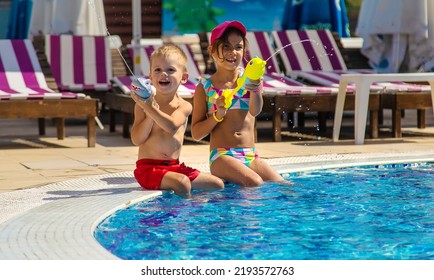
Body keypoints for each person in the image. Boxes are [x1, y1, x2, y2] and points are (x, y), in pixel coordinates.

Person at [191, 21, 285, 187]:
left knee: (282, 185)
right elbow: (196, 133)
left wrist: (256, 90)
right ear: (212, 50)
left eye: (238, 47)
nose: (232, 52)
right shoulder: (205, 87)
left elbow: (255, 111)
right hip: (221, 156)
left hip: (250, 155)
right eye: (226, 46)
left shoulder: (249, 80)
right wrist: (217, 115)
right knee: (254, 182)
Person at [130, 43, 224, 197]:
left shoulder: (184, 106)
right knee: (182, 182)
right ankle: (184, 214)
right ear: (151, 77)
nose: (163, 74)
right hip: (148, 169)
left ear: (184, 77)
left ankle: (199, 207)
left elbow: (172, 126)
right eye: (157, 70)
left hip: (174, 167)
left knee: (217, 185)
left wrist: (151, 109)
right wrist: (148, 110)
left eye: (170, 70)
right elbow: (136, 139)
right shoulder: (142, 106)